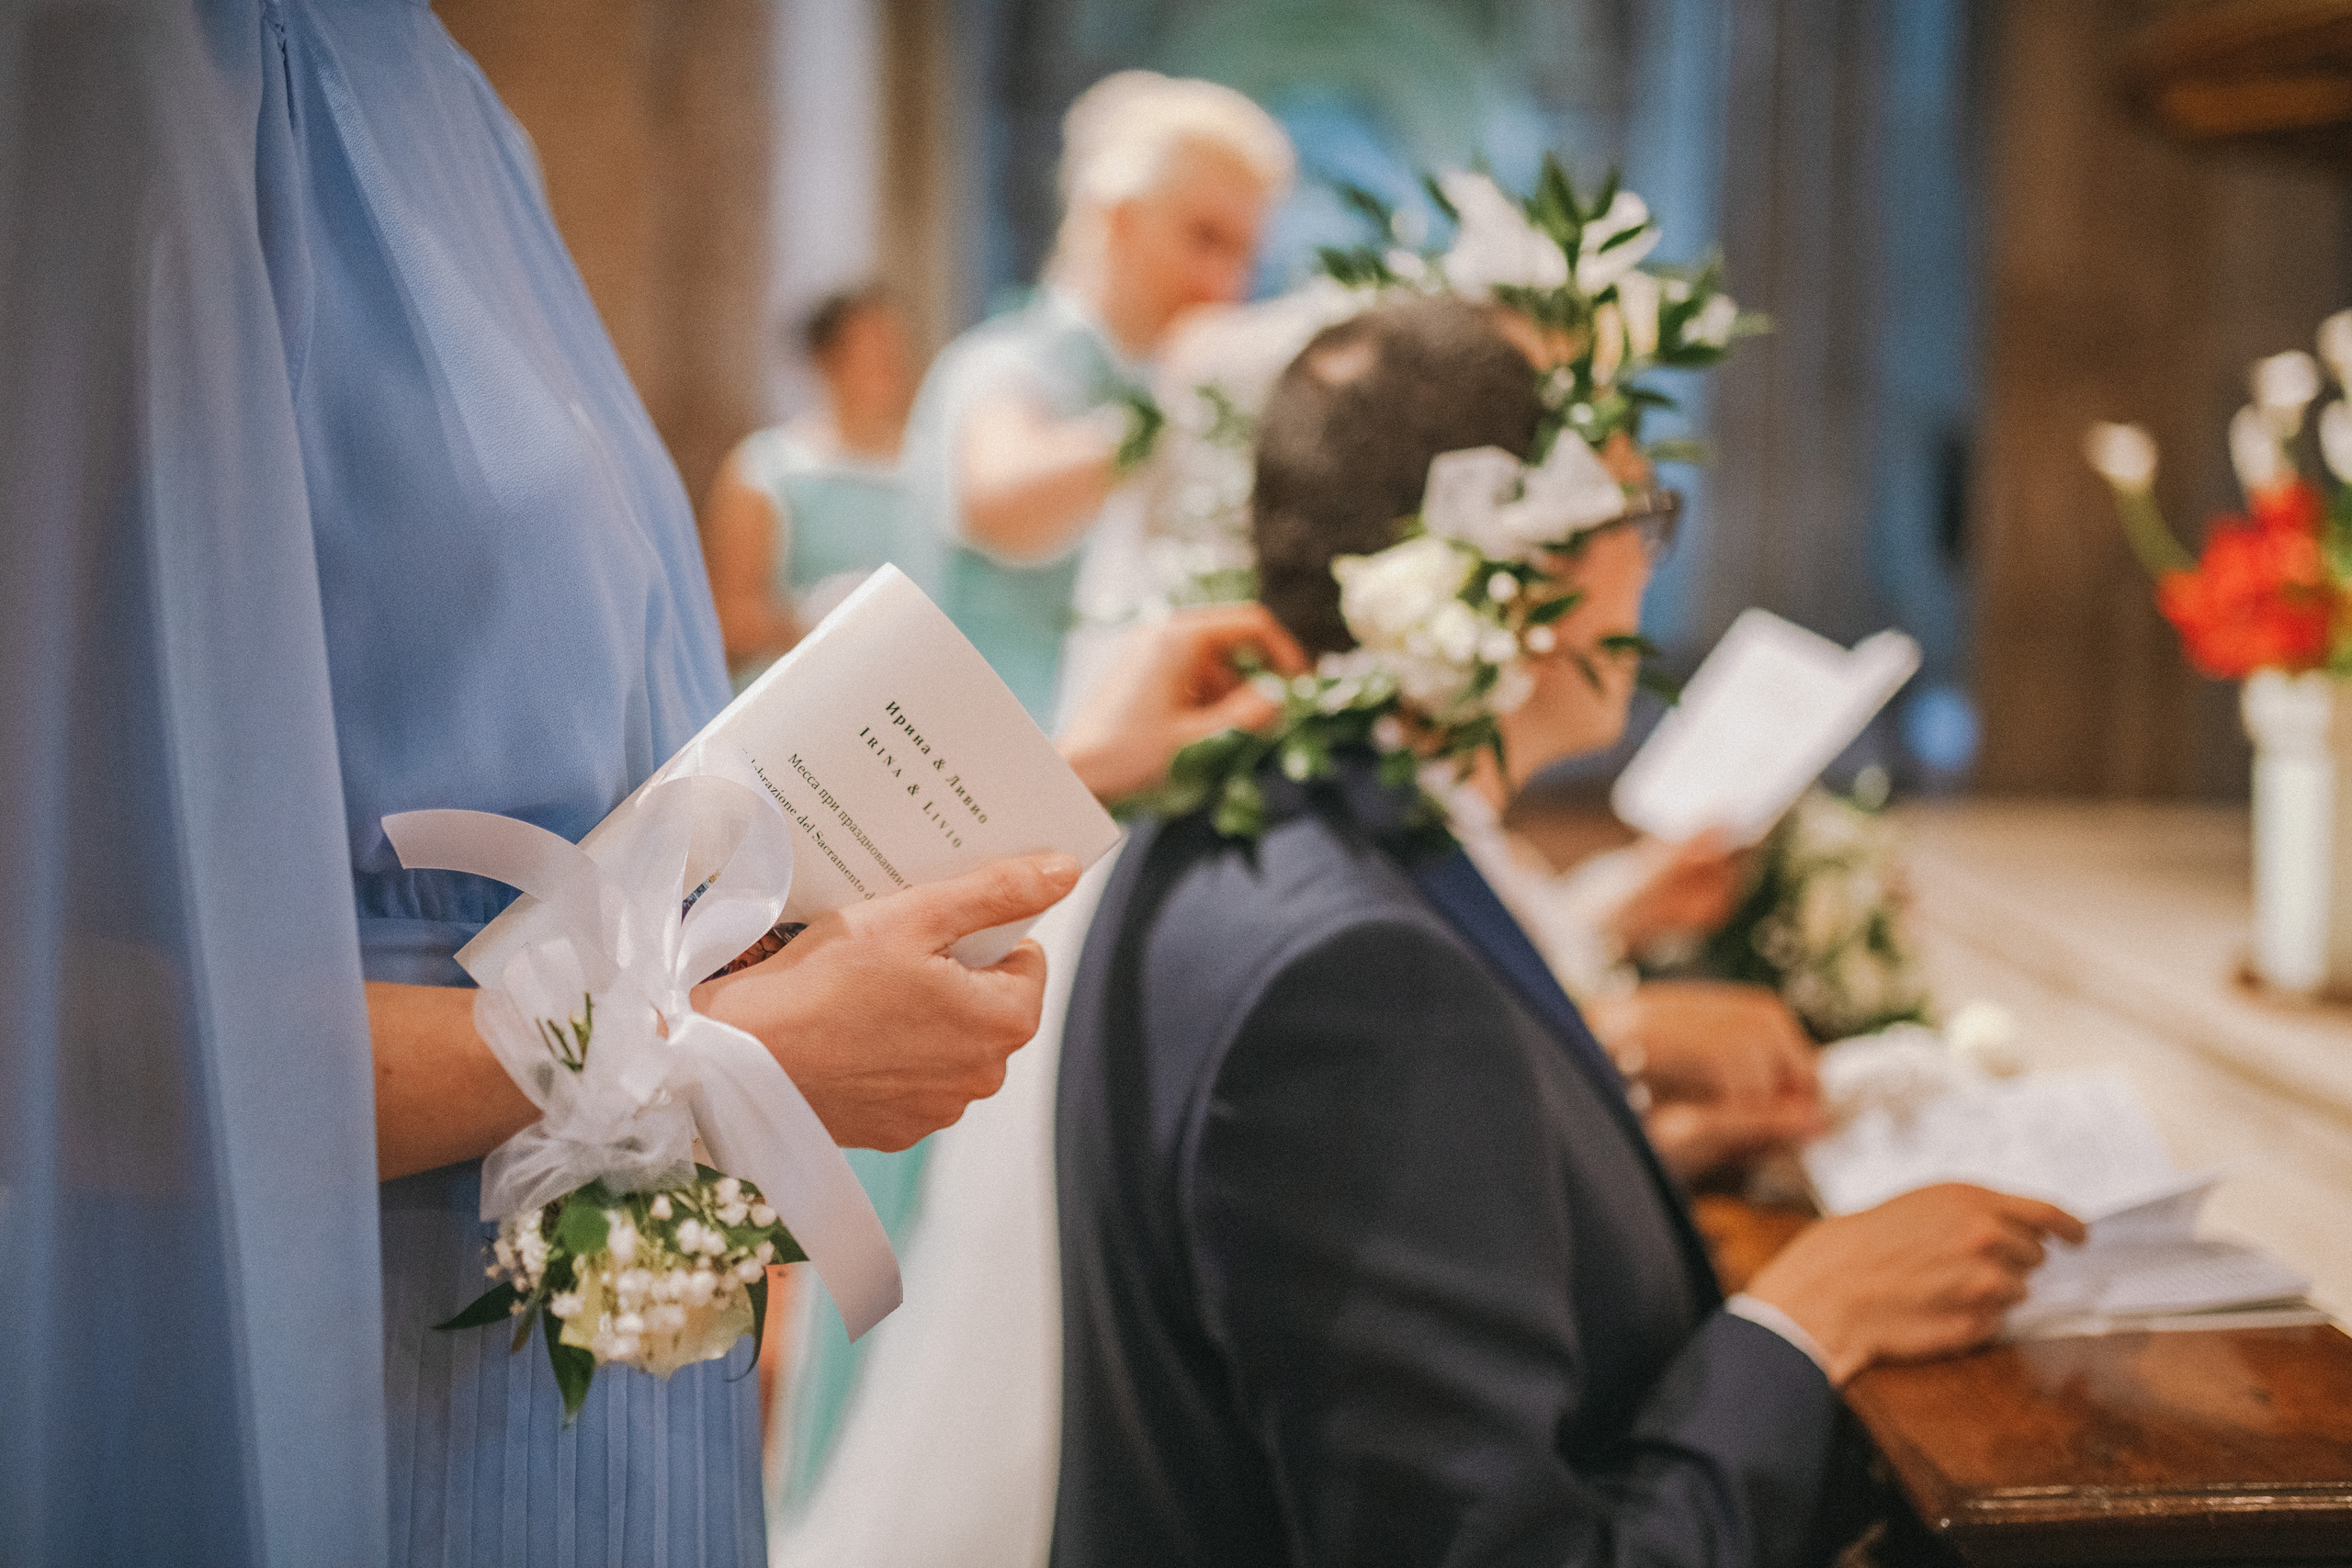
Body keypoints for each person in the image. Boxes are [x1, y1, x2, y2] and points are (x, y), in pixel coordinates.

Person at [0, 7, 1282, 1563]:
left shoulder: (446, 101)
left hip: (588, 1354)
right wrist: (691, 1053)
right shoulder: (110, 66)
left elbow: (585, 788)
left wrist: (1074, 765)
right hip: (354, 1344)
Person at [1053, 298, 2085, 1566]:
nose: (1647, 569)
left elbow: (1366, 1231)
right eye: (1636, 517)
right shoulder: (1358, 976)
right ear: (1524, 571)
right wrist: (1812, 1319)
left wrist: (1614, 1166)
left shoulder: (1237, 805)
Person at [898, 71, 1292, 726]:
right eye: (1204, 238)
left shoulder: (1161, 383)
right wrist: (1179, 407)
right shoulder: (1006, 360)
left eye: (1246, 257)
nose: (1227, 282)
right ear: (1117, 220)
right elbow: (1000, 501)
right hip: (968, 783)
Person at [704, 287, 922, 684]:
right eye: (872, 352)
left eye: (895, 351)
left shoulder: (926, 469)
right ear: (826, 361)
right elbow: (726, 618)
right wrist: (806, 620)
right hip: (797, 697)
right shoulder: (769, 466)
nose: (890, 367)